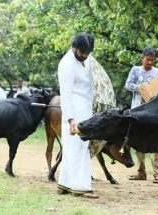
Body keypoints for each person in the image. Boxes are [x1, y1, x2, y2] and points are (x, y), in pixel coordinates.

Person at [56, 32, 99, 199]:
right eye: (82, 53)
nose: (85, 56)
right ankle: (81, 187)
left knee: (74, 148)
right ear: (74, 48)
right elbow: (65, 95)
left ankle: (65, 184)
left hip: (86, 110)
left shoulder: (87, 59)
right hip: (73, 113)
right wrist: (71, 119)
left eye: (88, 53)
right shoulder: (66, 64)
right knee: (78, 148)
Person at [125, 46, 158, 184]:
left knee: (156, 142)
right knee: (138, 142)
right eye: (148, 60)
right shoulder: (135, 70)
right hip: (137, 110)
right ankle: (140, 171)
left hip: (153, 111)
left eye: (152, 60)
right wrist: (141, 88)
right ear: (142, 58)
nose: (150, 62)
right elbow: (128, 85)